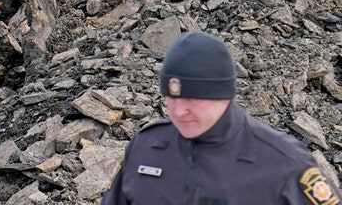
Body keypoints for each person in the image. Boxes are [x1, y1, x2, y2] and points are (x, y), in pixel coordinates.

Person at [101, 31, 341, 205]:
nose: (179, 111)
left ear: (223, 96)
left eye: (192, 100)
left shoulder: (284, 163)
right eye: (172, 99)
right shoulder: (145, 147)